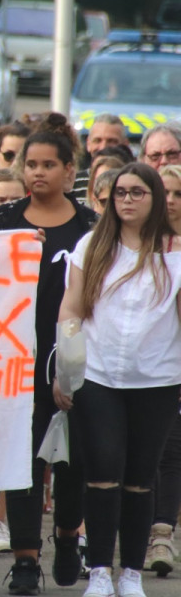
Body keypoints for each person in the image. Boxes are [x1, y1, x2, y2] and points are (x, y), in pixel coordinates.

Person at [57, 163, 181, 597]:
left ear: (155, 198)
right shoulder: (93, 244)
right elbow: (71, 310)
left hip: (158, 378)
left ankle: (130, 571)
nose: (126, 200)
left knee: (141, 477)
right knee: (103, 469)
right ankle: (99, 572)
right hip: (99, 375)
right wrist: (65, 373)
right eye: (120, 193)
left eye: (137, 192)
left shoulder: (176, 251)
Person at [0, 128, 98, 595]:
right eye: (30, 165)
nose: (37, 173)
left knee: (73, 465)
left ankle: (69, 535)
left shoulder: (90, 228)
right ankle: (27, 559)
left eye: (48, 165)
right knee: (24, 463)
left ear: (69, 171)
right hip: (14, 363)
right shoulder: (4, 220)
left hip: (73, 363)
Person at [147, 165, 181, 578]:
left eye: (178, 192)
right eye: (164, 192)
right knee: (142, 455)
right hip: (142, 363)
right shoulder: (138, 244)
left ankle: (162, 535)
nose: (170, 200)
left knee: (172, 451)